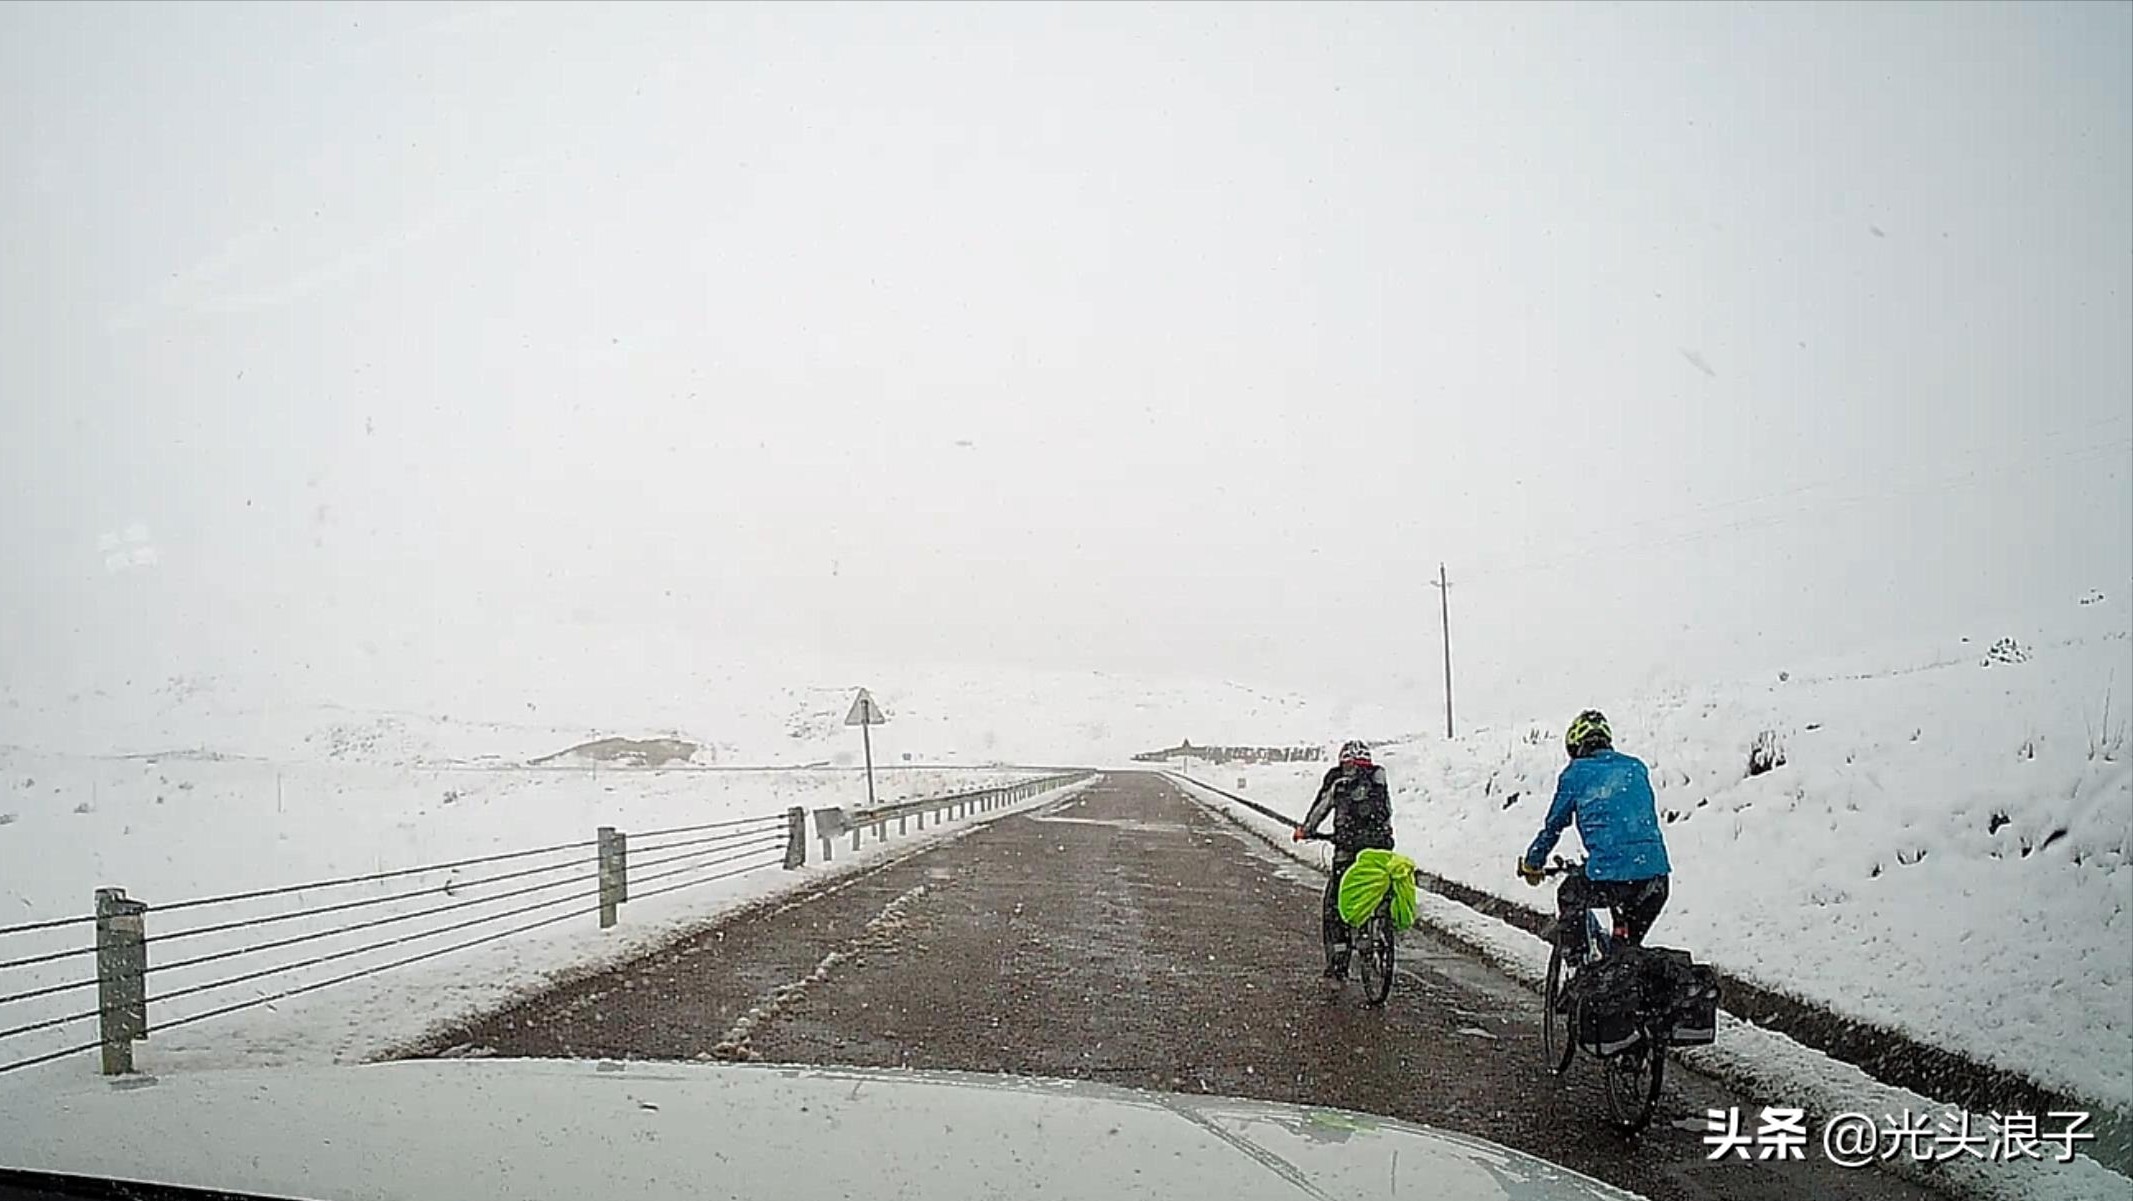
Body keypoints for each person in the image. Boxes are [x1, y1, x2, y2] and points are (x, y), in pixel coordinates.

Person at [1516, 710, 1670, 954]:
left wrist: (1533, 863)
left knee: (1569, 894)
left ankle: (1578, 966)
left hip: (1610, 873)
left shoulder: (1576, 774)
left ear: (1575, 746)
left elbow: (1553, 826)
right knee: (1627, 952)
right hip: (1656, 877)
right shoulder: (1635, 767)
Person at [1292, 740, 1394, 980]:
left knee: (1334, 905)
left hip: (1347, 850)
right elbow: (1387, 812)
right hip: (1381, 849)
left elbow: (1321, 807)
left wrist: (1305, 830)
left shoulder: (1338, 779)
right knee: (1378, 888)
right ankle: (1379, 926)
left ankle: (1339, 960)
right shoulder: (1378, 777)